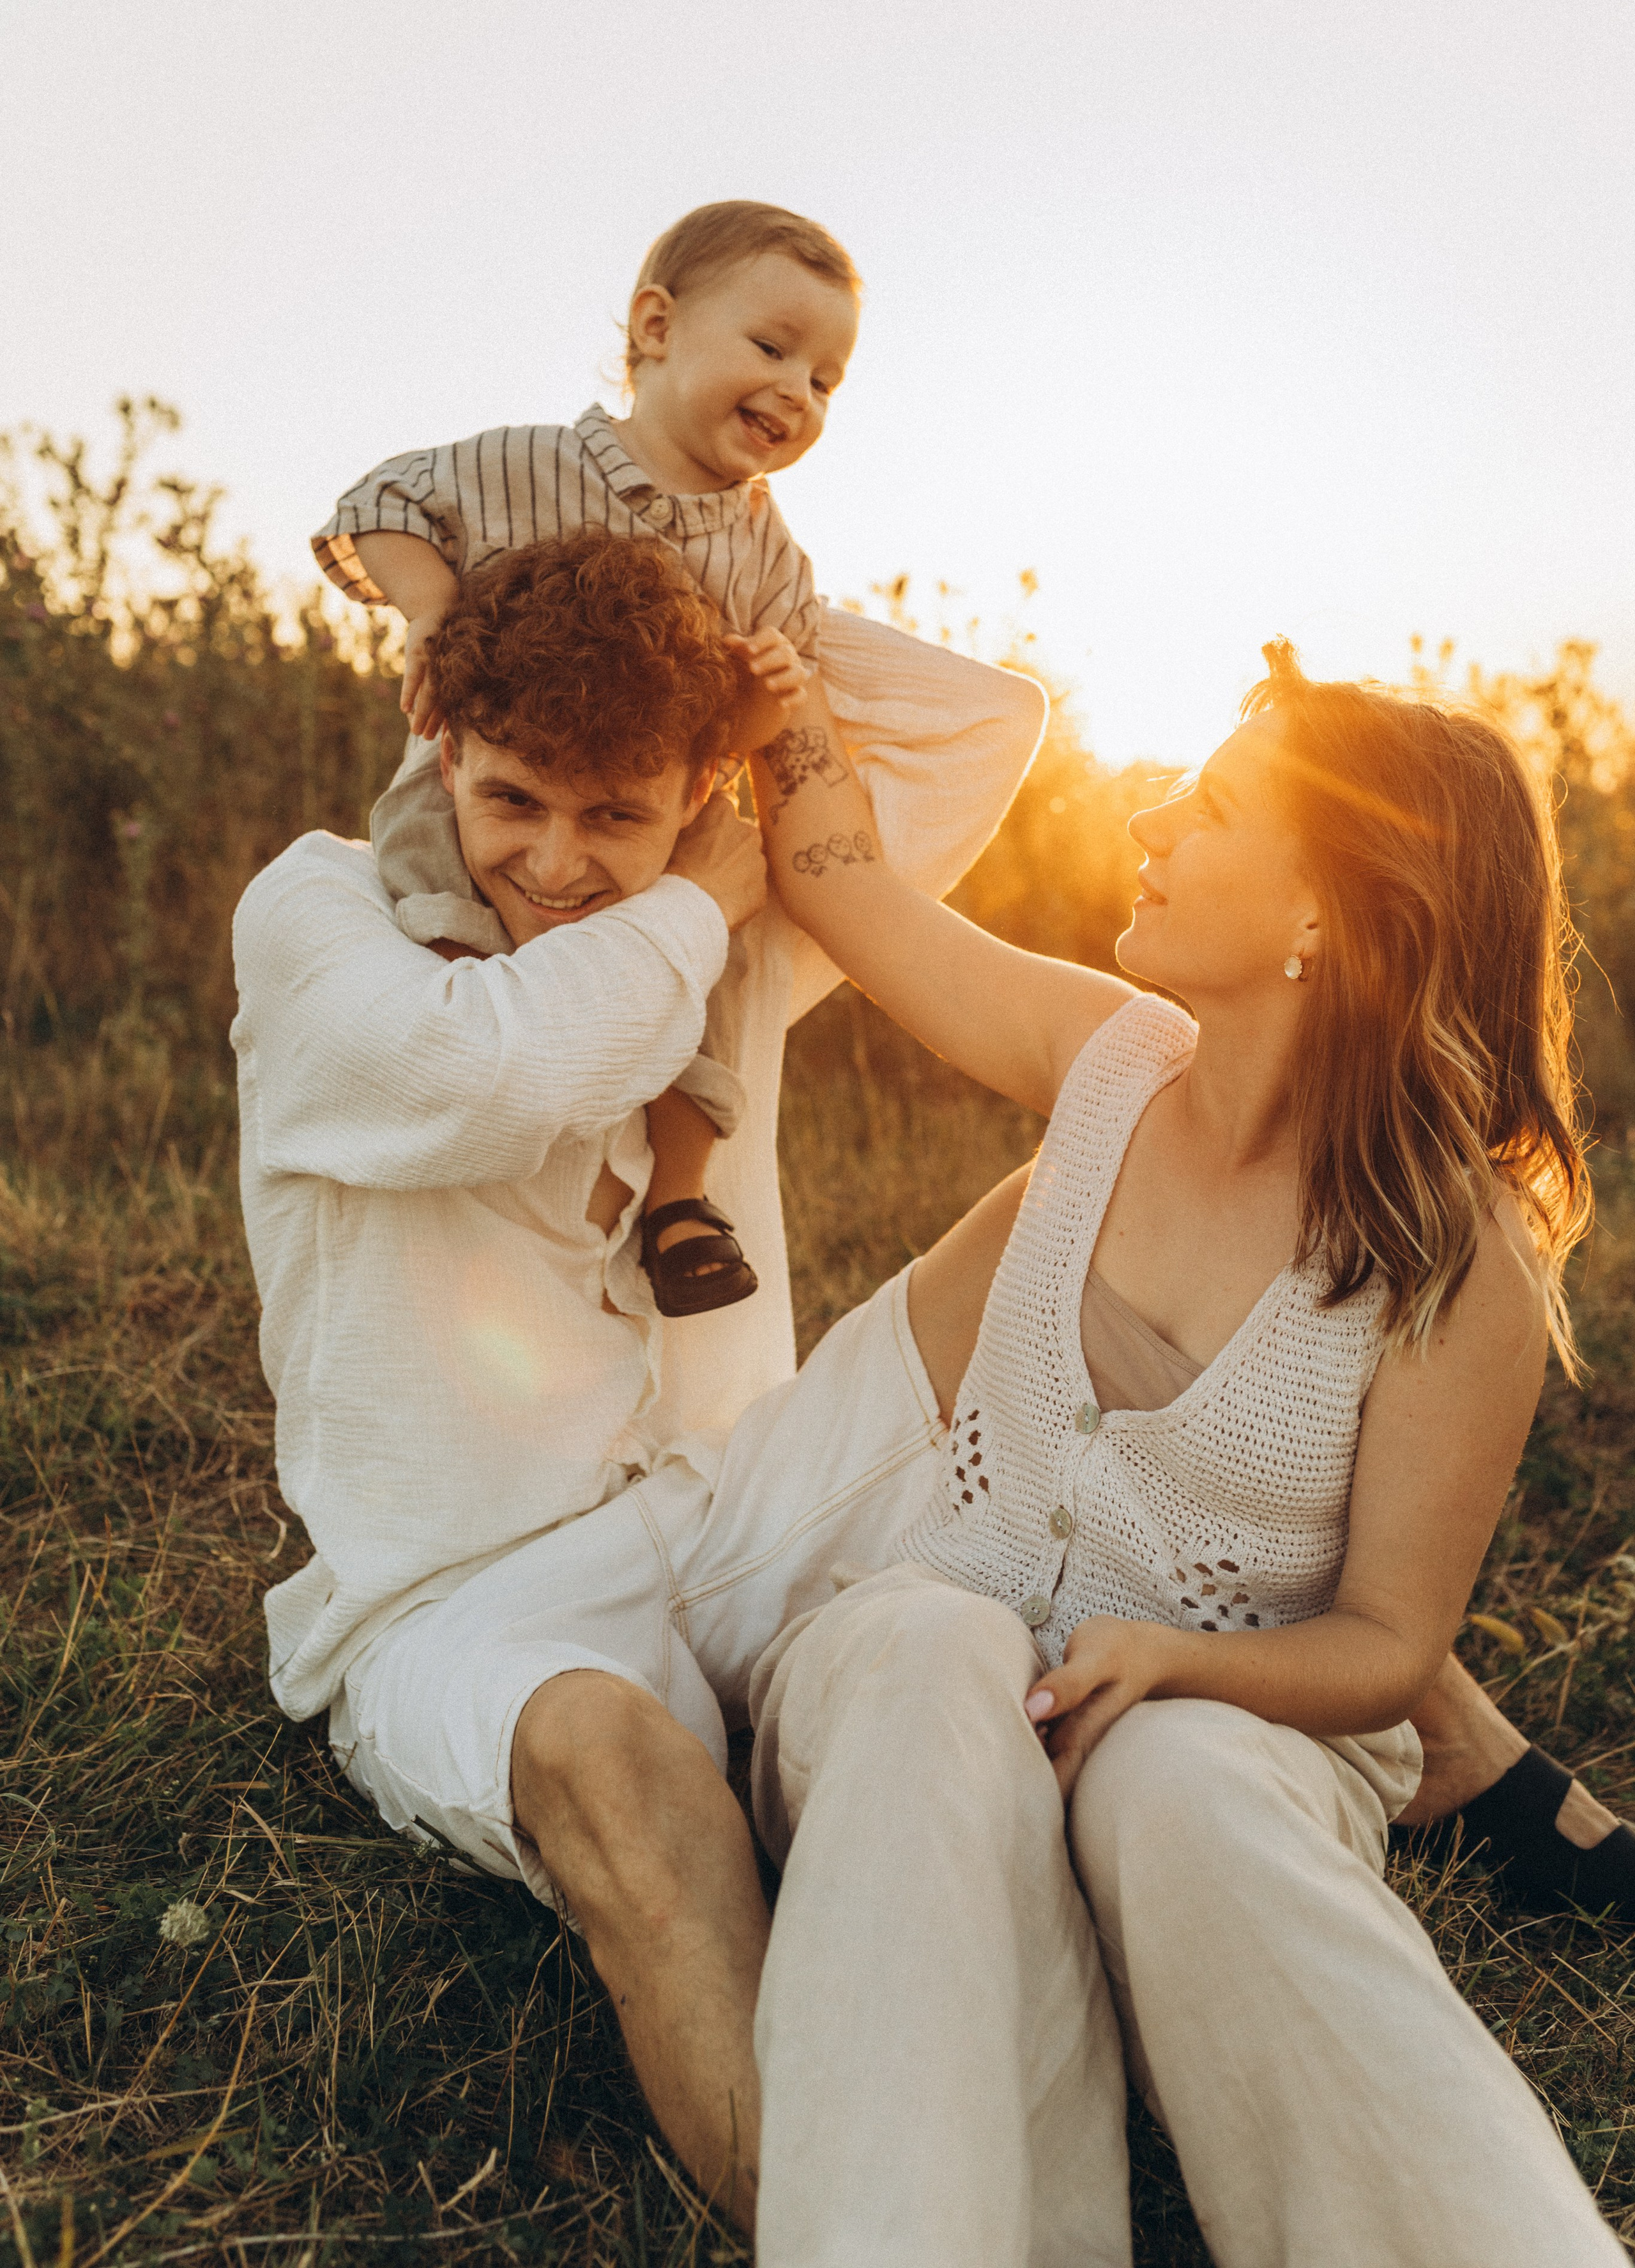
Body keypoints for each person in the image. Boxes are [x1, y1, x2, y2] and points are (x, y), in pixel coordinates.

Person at [721, 644, 1624, 2264]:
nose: (1146, 817)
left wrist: (1175, 1670)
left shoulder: (1456, 1258)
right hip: (924, 1654)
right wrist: (777, 686)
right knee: (937, 1649)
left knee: (1183, 1784)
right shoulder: (1103, 1061)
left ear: (1321, 919)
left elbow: (1384, 1649)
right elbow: (848, 890)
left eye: (1205, 807)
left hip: (1244, 1735)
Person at [231, 527, 1047, 2228]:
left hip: (722, 1504)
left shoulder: (723, 938)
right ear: (438, 740)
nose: (560, 863)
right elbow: (484, 1073)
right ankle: (868, 2235)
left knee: (1082, 1174)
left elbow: (982, 725)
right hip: (455, 1601)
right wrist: (702, 888)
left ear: (693, 789)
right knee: (620, 1764)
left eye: (619, 813)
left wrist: (742, 628)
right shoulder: (320, 916)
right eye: (516, 798)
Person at [310, 199, 863, 1315]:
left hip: (654, 817)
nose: (799, 392)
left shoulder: (768, 558)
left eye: (826, 379)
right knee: (422, 846)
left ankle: (681, 1199)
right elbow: (375, 505)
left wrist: (760, 707)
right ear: (656, 327)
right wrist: (427, 609)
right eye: (773, 348)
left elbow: (750, 733)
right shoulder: (530, 464)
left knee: (723, 951)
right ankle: (478, 1042)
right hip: (490, 781)